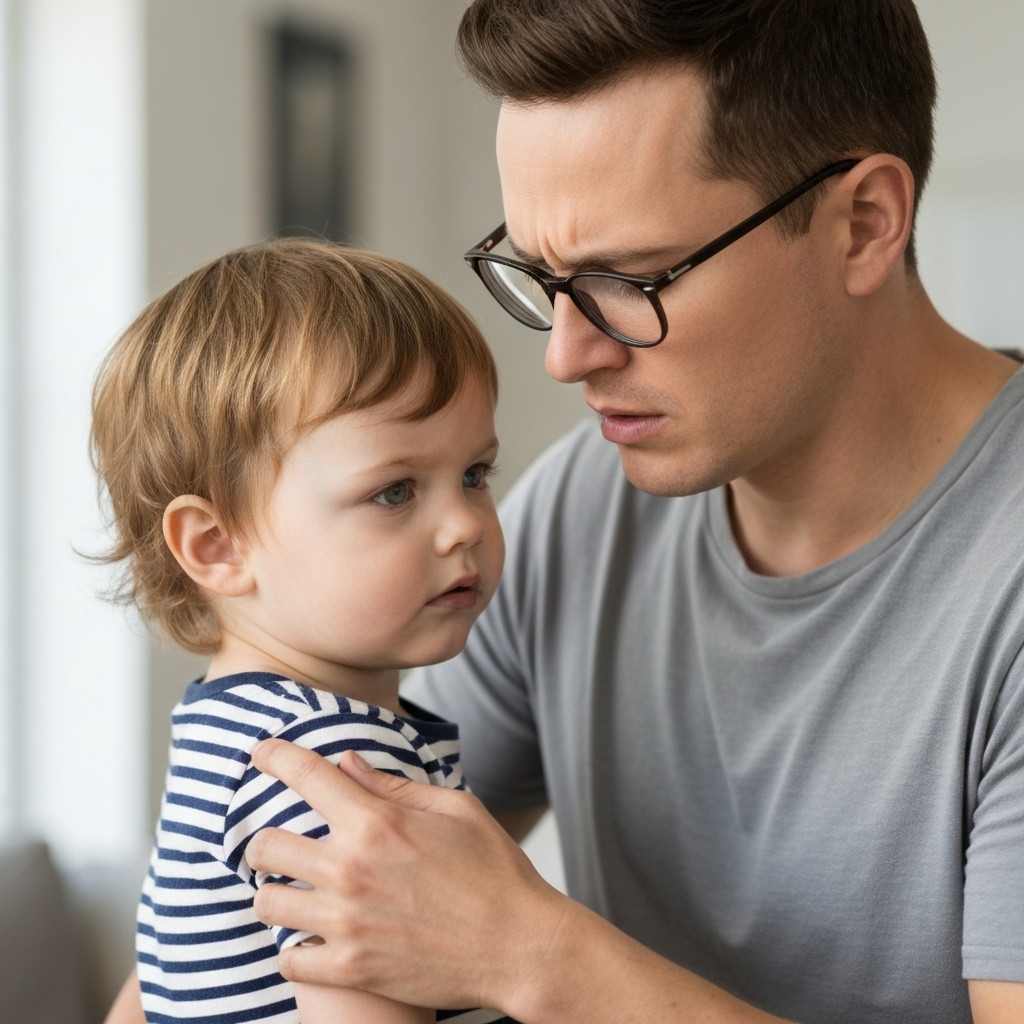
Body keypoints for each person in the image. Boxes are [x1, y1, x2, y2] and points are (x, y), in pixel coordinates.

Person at [107, 1, 1024, 1022]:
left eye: (627, 280)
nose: (565, 355)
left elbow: (478, 932)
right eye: (540, 277)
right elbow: (323, 892)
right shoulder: (586, 507)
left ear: (862, 224)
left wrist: (536, 955)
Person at [92, 239, 514, 1023]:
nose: (463, 524)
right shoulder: (337, 768)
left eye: (475, 475)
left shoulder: (232, 725)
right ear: (218, 547)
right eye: (394, 492)